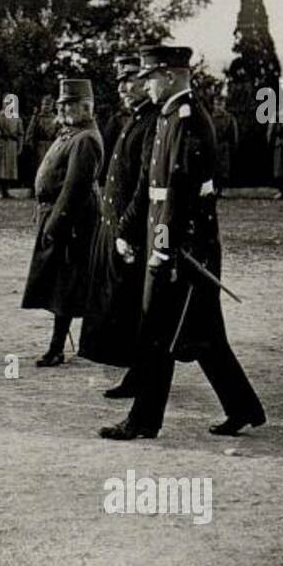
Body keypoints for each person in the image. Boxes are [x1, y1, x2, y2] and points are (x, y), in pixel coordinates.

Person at [100, 45, 265, 440]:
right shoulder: (169, 116)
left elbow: (178, 192)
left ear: (171, 75)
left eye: (150, 78)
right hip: (175, 245)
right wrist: (127, 230)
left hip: (184, 251)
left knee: (156, 334)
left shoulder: (188, 119)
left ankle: (143, 421)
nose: (145, 85)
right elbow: (149, 185)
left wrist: (160, 246)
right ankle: (243, 408)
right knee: (205, 338)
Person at [80, 56, 158, 393]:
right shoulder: (137, 119)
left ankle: (141, 378)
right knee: (126, 306)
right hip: (119, 228)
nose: (123, 87)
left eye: (130, 80)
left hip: (134, 231)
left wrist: (126, 229)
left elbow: (145, 184)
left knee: (140, 310)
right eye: (120, 81)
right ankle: (137, 374)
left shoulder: (153, 122)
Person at [21, 78, 104, 367]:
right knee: (62, 285)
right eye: (62, 104)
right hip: (58, 217)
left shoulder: (86, 140)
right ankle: (60, 346)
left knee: (69, 286)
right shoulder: (71, 133)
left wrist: (55, 226)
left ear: (87, 107)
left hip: (73, 224)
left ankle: (61, 348)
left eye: (71, 104)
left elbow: (74, 190)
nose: (65, 110)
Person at [0, 94, 24, 199]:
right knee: (0, 168)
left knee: (10, 169)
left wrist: (19, 147)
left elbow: (20, 134)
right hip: (1, 144)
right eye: (6, 102)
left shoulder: (17, 118)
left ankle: (6, 189)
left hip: (12, 144)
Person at [23, 94, 58, 199]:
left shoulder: (56, 118)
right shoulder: (37, 118)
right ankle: (35, 189)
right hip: (40, 146)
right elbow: (30, 132)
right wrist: (29, 144)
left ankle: (50, 190)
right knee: (38, 168)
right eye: (44, 104)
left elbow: (60, 131)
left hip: (52, 145)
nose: (46, 107)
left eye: (48, 105)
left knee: (52, 169)